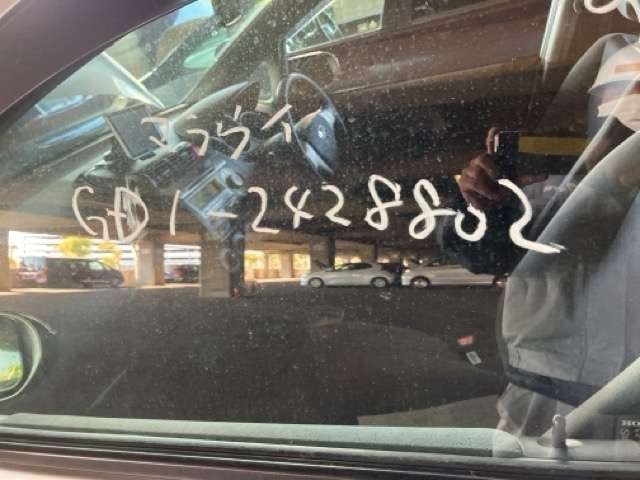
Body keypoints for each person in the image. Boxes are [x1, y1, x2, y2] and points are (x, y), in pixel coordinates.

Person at [441, 29, 640, 437]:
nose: (615, 132)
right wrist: (481, 200)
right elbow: (480, 254)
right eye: (610, 115)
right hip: (544, 397)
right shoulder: (541, 189)